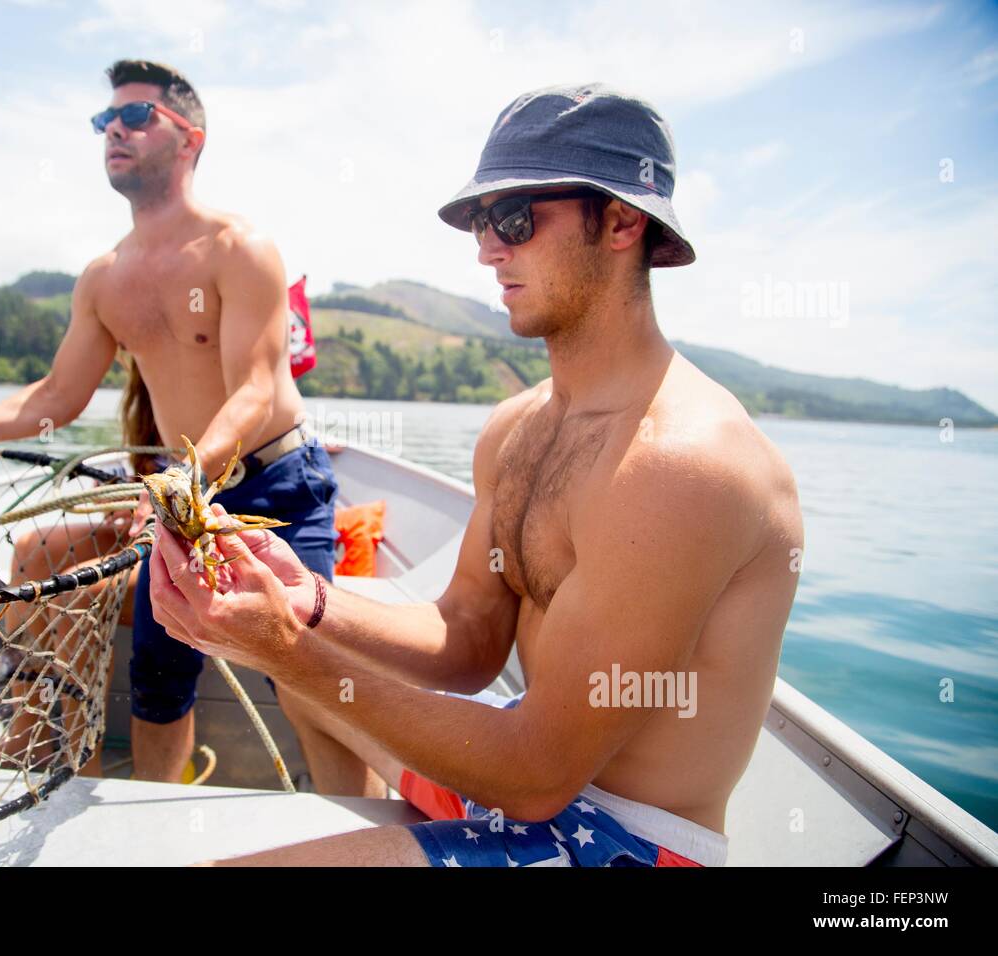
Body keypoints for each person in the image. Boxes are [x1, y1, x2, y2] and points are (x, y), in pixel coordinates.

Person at [149, 83, 804, 866]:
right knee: (309, 694)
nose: (488, 248)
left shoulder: (684, 467)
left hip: (623, 837)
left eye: (516, 218)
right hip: (527, 769)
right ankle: (379, 836)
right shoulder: (520, 427)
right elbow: (467, 639)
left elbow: (537, 778)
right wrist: (310, 601)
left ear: (623, 220)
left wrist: (287, 645)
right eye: (481, 222)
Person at [0, 59, 339, 783]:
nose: (113, 130)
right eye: (104, 120)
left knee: (313, 683)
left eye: (136, 116)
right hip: (176, 498)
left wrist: (185, 479)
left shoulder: (240, 248)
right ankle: (152, 833)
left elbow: (253, 388)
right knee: (157, 678)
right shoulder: (103, 277)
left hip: (270, 487)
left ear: (191, 139)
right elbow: (55, 398)